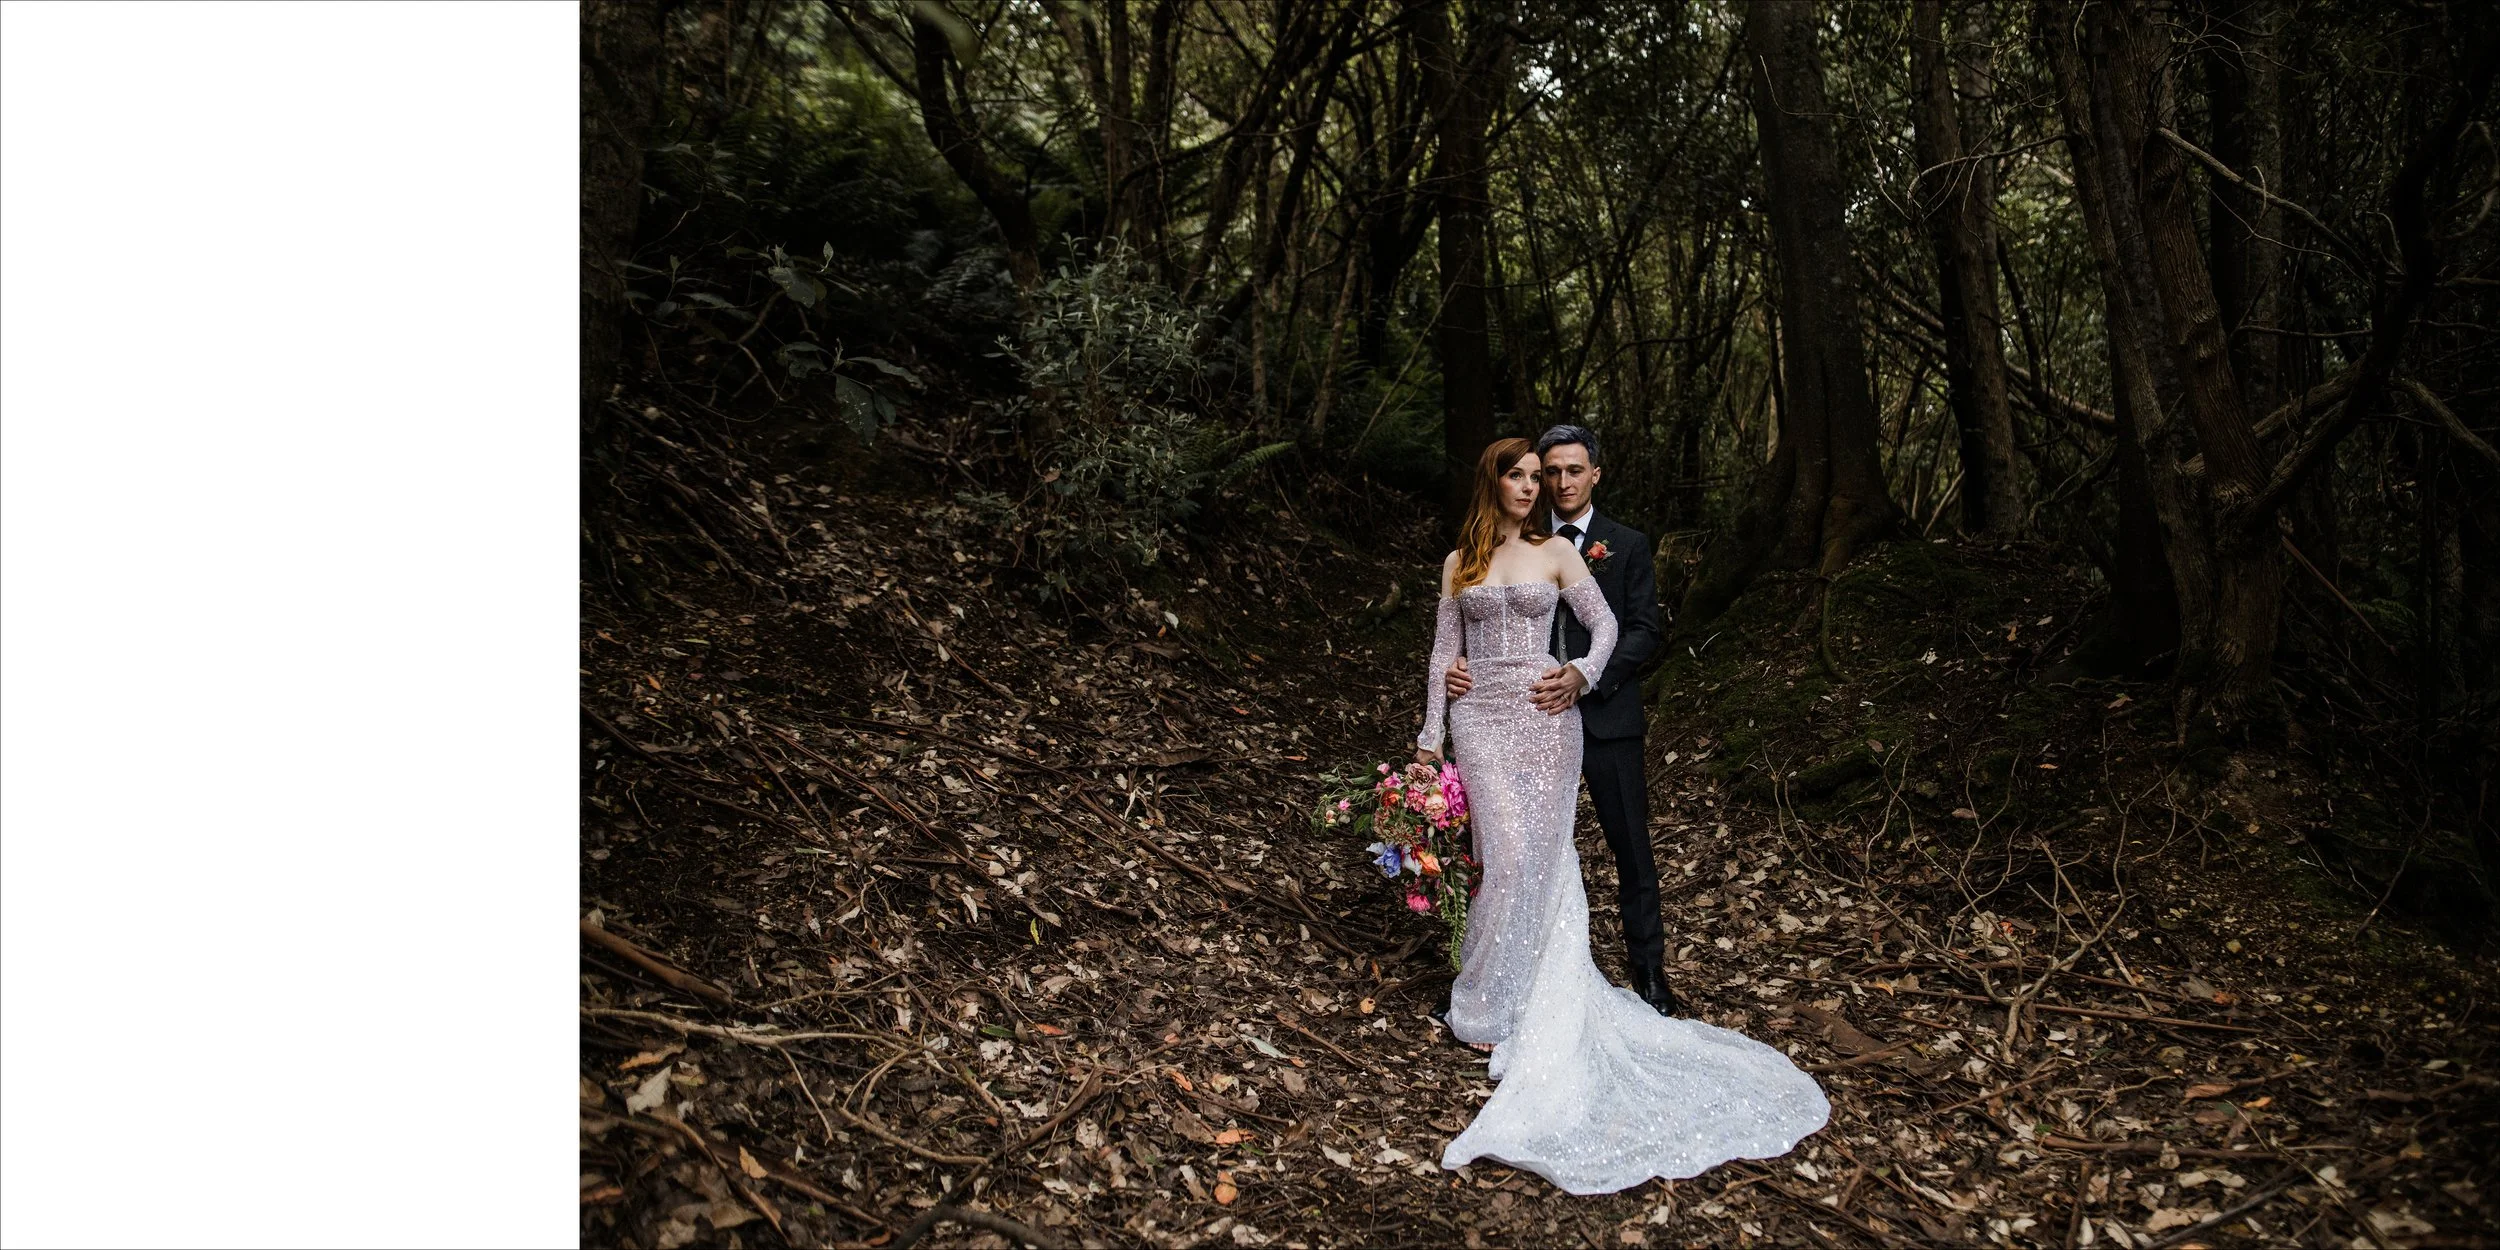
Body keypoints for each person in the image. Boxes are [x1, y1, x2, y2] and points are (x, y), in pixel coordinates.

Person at [1416, 437, 1827, 1194]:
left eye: (1540, 476)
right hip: (1480, 721)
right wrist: (1427, 737)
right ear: (1492, 481)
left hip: (1547, 716)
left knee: (1540, 857)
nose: (1534, 486)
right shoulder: (1458, 563)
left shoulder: (1560, 553)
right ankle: (1482, 1002)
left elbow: (1607, 627)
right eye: (1520, 475)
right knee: (1501, 856)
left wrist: (1579, 672)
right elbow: (1443, 651)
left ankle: (1543, 994)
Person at [1442, 423, 1674, 1013]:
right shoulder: (1509, 543)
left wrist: (1585, 675)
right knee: (1510, 850)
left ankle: (1649, 975)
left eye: (1573, 470)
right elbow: (1468, 628)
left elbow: (1640, 628)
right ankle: (1503, 981)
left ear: (1595, 473)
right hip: (1514, 714)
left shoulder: (1623, 544)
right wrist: (1464, 667)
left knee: (1629, 846)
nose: (1559, 481)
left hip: (1603, 714)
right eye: (1550, 472)